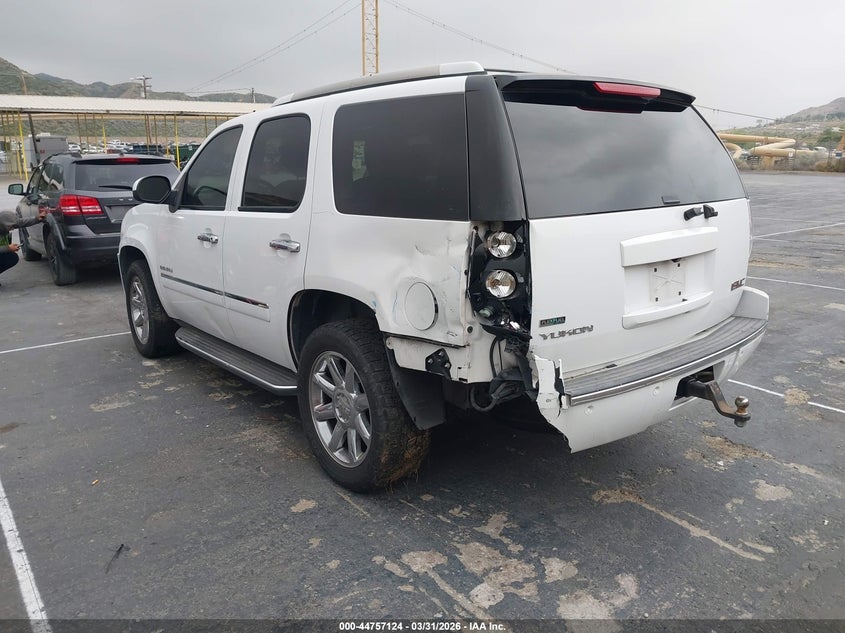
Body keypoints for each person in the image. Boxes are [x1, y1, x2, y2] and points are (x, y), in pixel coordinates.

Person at [0, 207, 48, 284]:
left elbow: (22, 222)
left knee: (12, 257)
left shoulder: (4, 225)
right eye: (10, 227)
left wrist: (37, 219)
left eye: (13, 226)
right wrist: (8, 248)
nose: (12, 229)